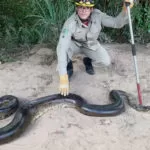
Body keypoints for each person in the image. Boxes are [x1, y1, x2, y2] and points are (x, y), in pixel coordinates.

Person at [56, 0, 134, 96]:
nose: (84, 10)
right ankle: (68, 64)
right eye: (81, 7)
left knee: (106, 61)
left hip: (90, 45)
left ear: (91, 9)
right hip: (74, 44)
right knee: (62, 49)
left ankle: (88, 60)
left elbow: (116, 23)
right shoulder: (70, 23)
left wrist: (125, 10)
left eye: (87, 8)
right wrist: (63, 76)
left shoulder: (98, 15)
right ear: (77, 8)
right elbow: (62, 46)